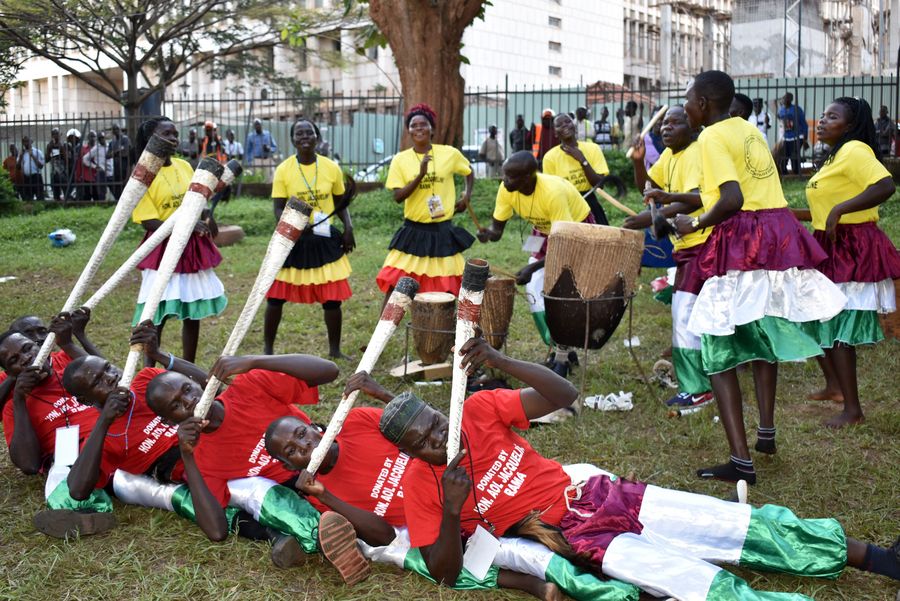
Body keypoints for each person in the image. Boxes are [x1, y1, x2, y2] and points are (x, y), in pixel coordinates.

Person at [377, 337, 900, 600]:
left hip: (598, 492)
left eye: (435, 424)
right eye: (423, 443)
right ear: (408, 454)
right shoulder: (422, 485)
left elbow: (565, 394)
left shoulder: (477, 410)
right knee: (691, 582)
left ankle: (877, 559)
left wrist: (500, 360)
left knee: (729, 524)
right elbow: (444, 573)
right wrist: (452, 510)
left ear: (441, 411)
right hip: (569, 537)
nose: (437, 440)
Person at [264, 371, 641, 601]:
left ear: (314, 426)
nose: (304, 446)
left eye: (301, 434)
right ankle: (527, 582)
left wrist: (381, 393)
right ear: (289, 466)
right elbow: (382, 535)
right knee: (419, 558)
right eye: (293, 451)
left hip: (471, 488)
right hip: (432, 518)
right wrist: (327, 497)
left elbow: (414, 426)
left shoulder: (358, 421)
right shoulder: (319, 491)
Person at [671, 70, 845, 484]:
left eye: (689, 100)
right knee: (760, 331)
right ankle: (765, 431)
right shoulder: (748, 130)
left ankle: (741, 462)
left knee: (715, 344)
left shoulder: (711, 136)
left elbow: (731, 198)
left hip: (743, 239)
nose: (686, 107)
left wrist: (694, 222)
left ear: (703, 104)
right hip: (776, 234)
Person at [144, 353, 371, 583]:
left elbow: (329, 371)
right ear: (170, 422)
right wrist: (187, 455)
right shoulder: (203, 456)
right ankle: (334, 541)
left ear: (198, 382)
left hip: (327, 453)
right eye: (176, 405)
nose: (189, 401)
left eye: (187, 389)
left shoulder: (249, 386)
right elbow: (216, 531)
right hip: (302, 486)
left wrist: (254, 361)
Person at [31, 322, 205, 538]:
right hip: (182, 464)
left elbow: (210, 385)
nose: (111, 376)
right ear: (86, 400)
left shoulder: (146, 381)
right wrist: (105, 420)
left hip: (210, 437)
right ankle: (77, 513)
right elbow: (77, 489)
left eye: (108, 368)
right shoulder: (106, 435)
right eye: (98, 381)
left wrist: (158, 354)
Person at [795, 97, 900, 428]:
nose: (823, 121)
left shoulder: (855, 150)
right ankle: (835, 386)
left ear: (850, 125)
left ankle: (853, 411)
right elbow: (824, 209)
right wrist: (788, 215)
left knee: (839, 324)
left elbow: (885, 185)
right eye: (823, 115)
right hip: (828, 242)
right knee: (816, 314)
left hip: (852, 245)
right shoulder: (834, 156)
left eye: (832, 116)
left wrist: (841, 210)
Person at [624, 106, 713, 410]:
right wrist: (639, 163)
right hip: (686, 246)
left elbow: (699, 199)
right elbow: (649, 190)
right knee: (685, 313)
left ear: (693, 126)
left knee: (685, 313)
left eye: (675, 122)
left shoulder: (698, 153)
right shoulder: (670, 156)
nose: (666, 128)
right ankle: (700, 381)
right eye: (663, 123)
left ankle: (699, 389)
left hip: (704, 243)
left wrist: (653, 216)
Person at [478, 151, 591, 381]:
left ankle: (562, 357)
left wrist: (532, 267)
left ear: (528, 177)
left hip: (575, 232)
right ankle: (560, 349)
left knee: (563, 293)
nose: (505, 180)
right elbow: (497, 230)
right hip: (546, 233)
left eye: (511, 177)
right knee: (534, 290)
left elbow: (565, 243)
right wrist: (488, 234)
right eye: (504, 175)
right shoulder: (507, 189)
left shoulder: (552, 193)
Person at [130, 117, 227, 364]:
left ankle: (187, 366)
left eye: (175, 134)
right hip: (161, 247)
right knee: (156, 311)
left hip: (191, 247)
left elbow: (198, 201)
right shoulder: (143, 172)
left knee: (191, 311)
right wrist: (186, 226)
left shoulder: (184, 167)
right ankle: (150, 368)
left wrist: (207, 218)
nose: (173, 139)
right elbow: (148, 221)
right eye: (166, 134)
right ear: (150, 139)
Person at [265, 119, 356, 359]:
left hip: (325, 237)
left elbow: (340, 203)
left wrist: (348, 227)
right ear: (292, 139)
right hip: (293, 239)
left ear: (317, 137)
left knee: (332, 300)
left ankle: (334, 350)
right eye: (299, 133)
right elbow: (277, 209)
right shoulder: (283, 169)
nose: (304, 136)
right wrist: (293, 224)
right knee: (275, 298)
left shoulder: (331, 167)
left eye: (309, 132)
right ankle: (268, 350)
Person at [376, 103, 474, 297]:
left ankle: (438, 318)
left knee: (447, 290)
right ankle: (387, 319)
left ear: (432, 129)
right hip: (413, 231)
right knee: (396, 288)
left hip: (443, 231)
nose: (418, 128)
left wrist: (467, 195)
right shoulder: (400, 160)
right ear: (408, 131)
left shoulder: (449, 153)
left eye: (423, 124)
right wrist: (420, 175)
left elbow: (469, 172)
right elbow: (398, 197)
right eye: (414, 125)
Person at [0, 313, 97, 475]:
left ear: (39, 346)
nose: (26, 358)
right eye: (13, 360)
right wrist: (19, 399)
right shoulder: (14, 405)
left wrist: (73, 339)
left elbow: (118, 384)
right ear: (9, 372)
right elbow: (29, 465)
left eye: (28, 348)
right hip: (85, 462)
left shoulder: (73, 373)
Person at [542, 112, 610, 224]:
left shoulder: (593, 149)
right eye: (559, 125)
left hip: (589, 202)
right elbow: (550, 192)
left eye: (568, 121)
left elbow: (599, 184)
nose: (565, 125)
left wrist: (582, 160)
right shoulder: (549, 158)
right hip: (566, 207)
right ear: (555, 133)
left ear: (574, 126)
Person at [777, 92, 808, 174]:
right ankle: (784, 174)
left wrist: (805, 137)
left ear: (791, 99)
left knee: (794, 156)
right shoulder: (781, 110)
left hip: (797, 137)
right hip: (786, 137)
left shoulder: (797, 109)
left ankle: (797, 173)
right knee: (784, 156)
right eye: (784, 98)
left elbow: (803, 123)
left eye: (787, 98)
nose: (784, 100)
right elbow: (781, 124)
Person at [85, 130, 111, 201]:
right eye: (100, 138)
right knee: (102, 193)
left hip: (111, 173)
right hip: (101, 172)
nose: (102, 139)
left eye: (102, 137)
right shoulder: (96, 148)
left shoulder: (110, 146)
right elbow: (85, 159)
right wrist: (94, 166)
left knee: (115, 191)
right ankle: (102, 204)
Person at [17, 135, 44, 201]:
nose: (25, 143)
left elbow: (41, 166)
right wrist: (20, 157)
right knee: (28, 199)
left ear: (31, 142)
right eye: (24, 141)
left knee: (40, 198)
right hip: (26, 178)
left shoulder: (37, 152)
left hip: (36, 177)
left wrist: (32, 155)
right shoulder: (22, 153)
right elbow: (17, 167)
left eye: (27, 141)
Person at [45, 128, 69, 202]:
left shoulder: (64, 145)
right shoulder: (50, 145)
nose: (55, 135)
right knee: (55, 192)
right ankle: (57, 203)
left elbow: (67, 160)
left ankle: (67, 204)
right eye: (54, 134)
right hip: (54, 172)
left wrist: (61, 149)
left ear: (60, 135)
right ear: (52, 135)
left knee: (66, 191)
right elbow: (46, 160)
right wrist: (49, 150)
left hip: (62, 172)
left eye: (57, 134)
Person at [107, 123, 130, 200]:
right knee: (117, 187)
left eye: (117, 128)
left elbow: (126, 153)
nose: (116, 130)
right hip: (116, 168)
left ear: (120, 129)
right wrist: (118, 151)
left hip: (125, 167)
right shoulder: (112, 142)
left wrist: (114, 153)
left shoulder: (125, 139)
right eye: (114, 129)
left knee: (125, 186)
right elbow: (107, 156)